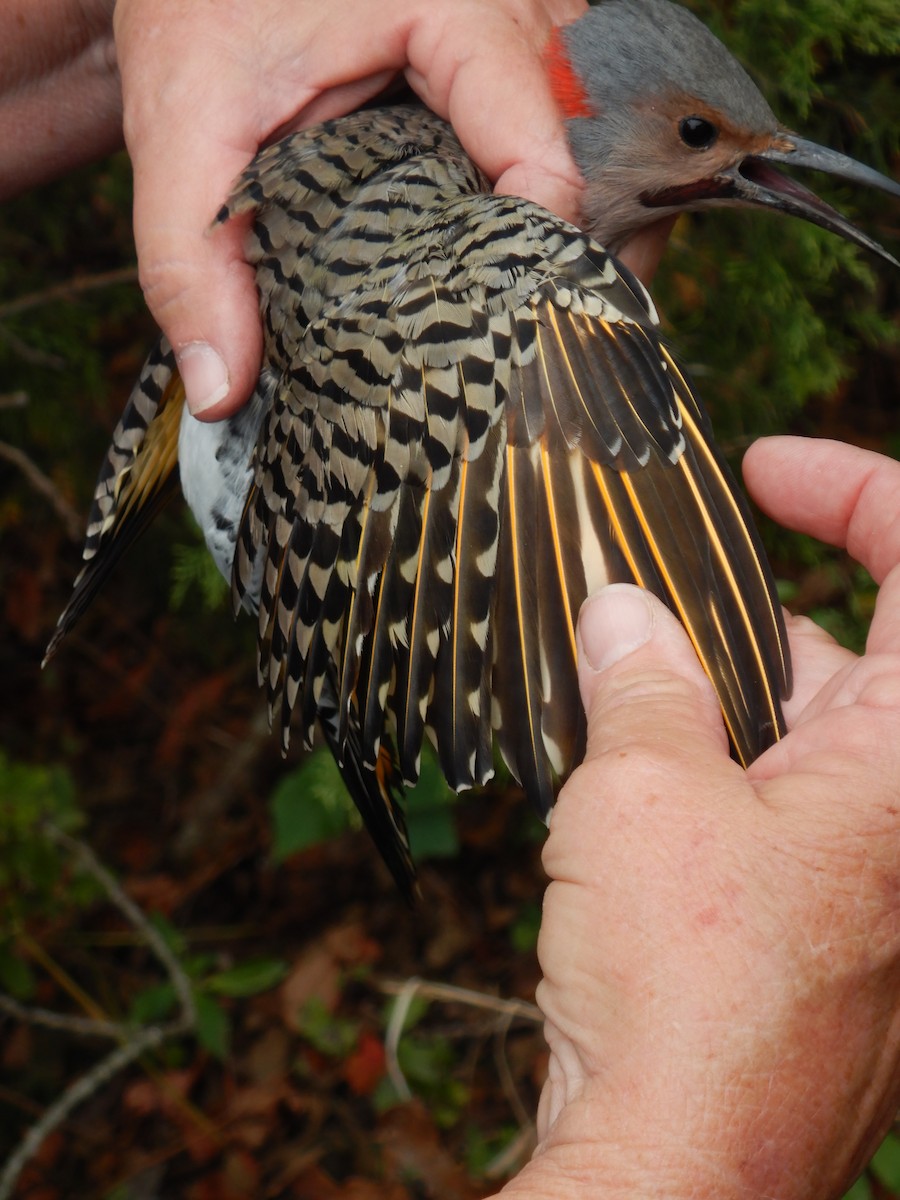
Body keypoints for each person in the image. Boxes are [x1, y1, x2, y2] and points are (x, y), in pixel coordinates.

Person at [4, 3, 899, 1196]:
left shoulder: (474, 220)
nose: (731, 160)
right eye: (697, 133)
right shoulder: (500, 255)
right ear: (587, 113)